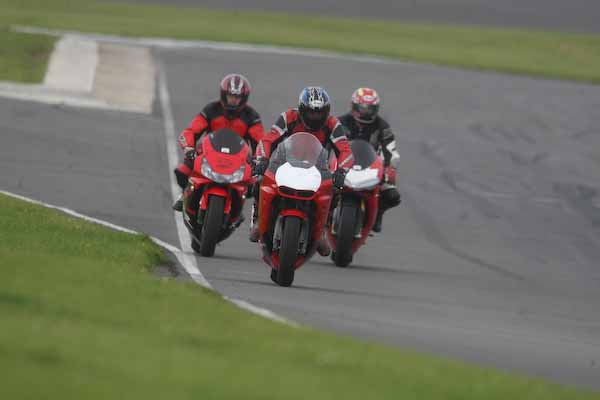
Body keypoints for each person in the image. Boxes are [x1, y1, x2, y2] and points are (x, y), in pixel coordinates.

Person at [250, 86, 354, 255]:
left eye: (319, 113)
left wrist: (341, 171)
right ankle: (258, 219)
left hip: (318, 169)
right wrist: (262, 159)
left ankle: (322, 228)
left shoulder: (333, 124)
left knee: (335, 191)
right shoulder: (288, 117)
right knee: (259, 180)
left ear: (326, 111)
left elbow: (345, 150)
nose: (315, 117)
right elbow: (268, 140)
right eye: (311, 112)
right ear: (302, 109)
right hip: (284, 164)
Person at [172, 73, 264, 211]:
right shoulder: (211, 109)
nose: (233, 100)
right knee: (182, 171)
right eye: (230, 96)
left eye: (237, 97)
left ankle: (253, 213)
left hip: (238, 157)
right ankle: (185, 194)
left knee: (258, 183)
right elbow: (191, 130)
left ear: (243, 98)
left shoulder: (251, 116)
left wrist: (259, 159)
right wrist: (189, 148)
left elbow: (260, 141)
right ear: (224, 95)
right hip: (209, 152)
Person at [338, 87, 401, 232]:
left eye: (370, 109)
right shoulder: (340, 122)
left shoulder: (382, 126)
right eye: (363, 108)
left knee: (392, 195)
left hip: (371, 167)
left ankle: (377, 214)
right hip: (342, 164)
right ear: (354, 106)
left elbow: (390, 150)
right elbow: (327, 142)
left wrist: (389, 168)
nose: (366, 112)